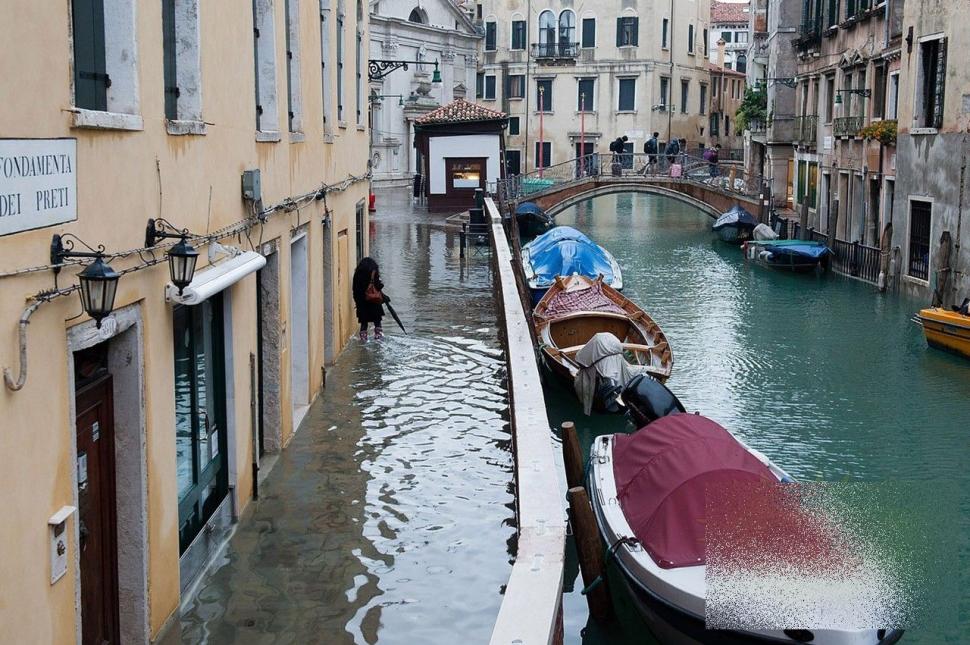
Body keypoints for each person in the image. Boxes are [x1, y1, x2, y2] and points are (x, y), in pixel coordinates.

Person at [352, 257, 385, 341]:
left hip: (361, 302)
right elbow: (378, 286)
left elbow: (354, 289)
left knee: (364, 323)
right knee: (377, 321)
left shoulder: (357, 275)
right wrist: (381, 283)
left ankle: (363, 339)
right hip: (373, 301)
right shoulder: (373, 272)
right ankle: (378, 338)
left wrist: (357, 302)